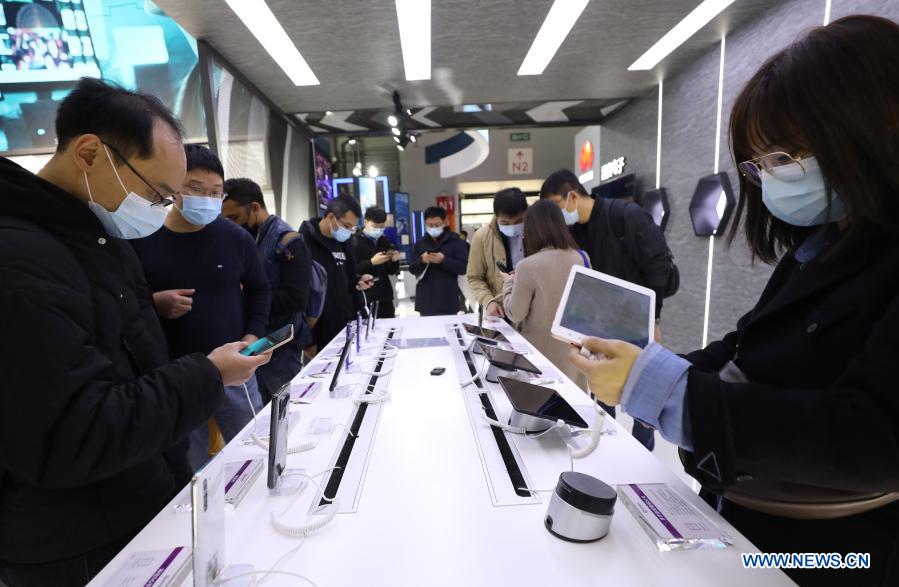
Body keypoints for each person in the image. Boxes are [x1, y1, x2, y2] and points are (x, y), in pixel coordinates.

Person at [570, 15, 899, 586]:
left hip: (836, 555)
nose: (770, 177)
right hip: (747, 518)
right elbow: (747, 345)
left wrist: (665, 389)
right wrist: (652, 368)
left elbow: (871, 434)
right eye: (760, 162)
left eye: (787, 155)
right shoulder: (823, 248)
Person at [0, 78, 267, 587]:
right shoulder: (20, 260)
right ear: (89, 153)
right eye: (157, 193)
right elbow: (74, 432)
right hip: (74, 543)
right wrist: (207, 375)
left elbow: (124, 357)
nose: (162, 207)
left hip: (139, 501)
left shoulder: (102, 240)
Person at [132, 144, 271, 471]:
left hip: (236, 368)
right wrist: (154, 302)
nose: (206, 198)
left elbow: (260, 289)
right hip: (173, 375)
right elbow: (124, 299)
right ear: (174, 187)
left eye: (215, 192)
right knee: (186, 465)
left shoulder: (236, 238)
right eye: (195, 189)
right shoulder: (143, 237)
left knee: (256, 450)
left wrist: (254, 336)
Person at [540, 170, 679, 451]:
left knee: (642, 384)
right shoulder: (573, 232)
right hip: (603, 322)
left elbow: (658, 266)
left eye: (557, 205)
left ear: (573, 196)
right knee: (602, 384)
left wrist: (654, 319)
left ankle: (642, 451)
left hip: (637, 320)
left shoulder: (626, 215)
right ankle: (608, 444)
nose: (557, 214)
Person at [222, 177, 314, 403]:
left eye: (234, 217)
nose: (230, 224)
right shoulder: (250, 239)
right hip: (254, 340)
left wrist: (247, 296)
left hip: (279, 342)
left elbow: (296, 298)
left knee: (286, 411)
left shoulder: (288, 240)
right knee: (263, 415)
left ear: (254, 207)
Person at [501, 200, 588, 388]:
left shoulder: (527, 265)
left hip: (540, 359)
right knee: (574, 410)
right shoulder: (582, 258)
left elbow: (515, 312)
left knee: (542, 411)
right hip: (576, 356)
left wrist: (509, 284)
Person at [300, 195, 374, 353]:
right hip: (321, 332)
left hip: (347, 325)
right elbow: (302, 294)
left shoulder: (344, 242)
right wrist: (309, 340)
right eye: (346, 226)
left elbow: (348, 278)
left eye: (352, 228)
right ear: (331, 216)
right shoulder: (305, 242)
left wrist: (359, 281)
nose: (348, 231)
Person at [466, 187, 528, 319]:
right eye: (505, 222)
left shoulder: (537, 233)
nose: (512, 226)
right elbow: (474, 277)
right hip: (499, 312)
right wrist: (489, 301)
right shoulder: (481, 237)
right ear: (496, 216)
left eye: (518, 222)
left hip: (531, 312)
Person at [410, 206, 469, 316]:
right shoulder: (420, 243)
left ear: (445, 222)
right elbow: (412, 269)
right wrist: (422, 260)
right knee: (428, 332)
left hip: (448, 300)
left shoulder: (456, 241)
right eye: (429, 225)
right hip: (425, 300)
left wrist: (443, 260)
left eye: (437, 225)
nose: (433, 228)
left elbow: (464, 267)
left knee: (449, 332)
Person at [351, 205, 400, 318]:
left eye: (381, 227)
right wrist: (372, 262)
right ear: (365, 222)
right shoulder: (354, 241)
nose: (378, 230)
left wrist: (394, 260)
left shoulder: (383, 241)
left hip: (385, 296)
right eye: (374, 226)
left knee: (389, 330)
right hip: (365, 297)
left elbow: (391, 271)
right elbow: (351, 270)